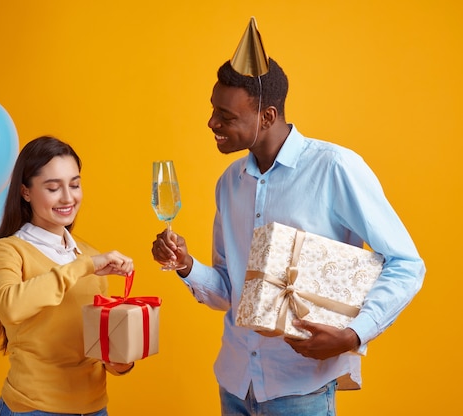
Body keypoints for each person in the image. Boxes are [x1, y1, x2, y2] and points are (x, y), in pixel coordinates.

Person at [151, 25, 425, 416]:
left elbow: (407, 264)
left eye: (225, 115)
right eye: (213, 110)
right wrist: (186, 266)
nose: (211, 123)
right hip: (235, 383)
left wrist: (353, 334)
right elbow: (232, 291)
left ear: (267, 116)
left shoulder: (334, 168)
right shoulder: (230, 183)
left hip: (302, 388)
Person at [0, 136, 135, 416]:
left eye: (74, 185)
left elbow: (95, 346)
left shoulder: (88, 255)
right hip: (33, 408)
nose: (68, 197)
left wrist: (120, 361)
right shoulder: (7, 251)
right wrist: (84, 266)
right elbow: (10, 306)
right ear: (25, 192)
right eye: (53, 188)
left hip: (94, 407)